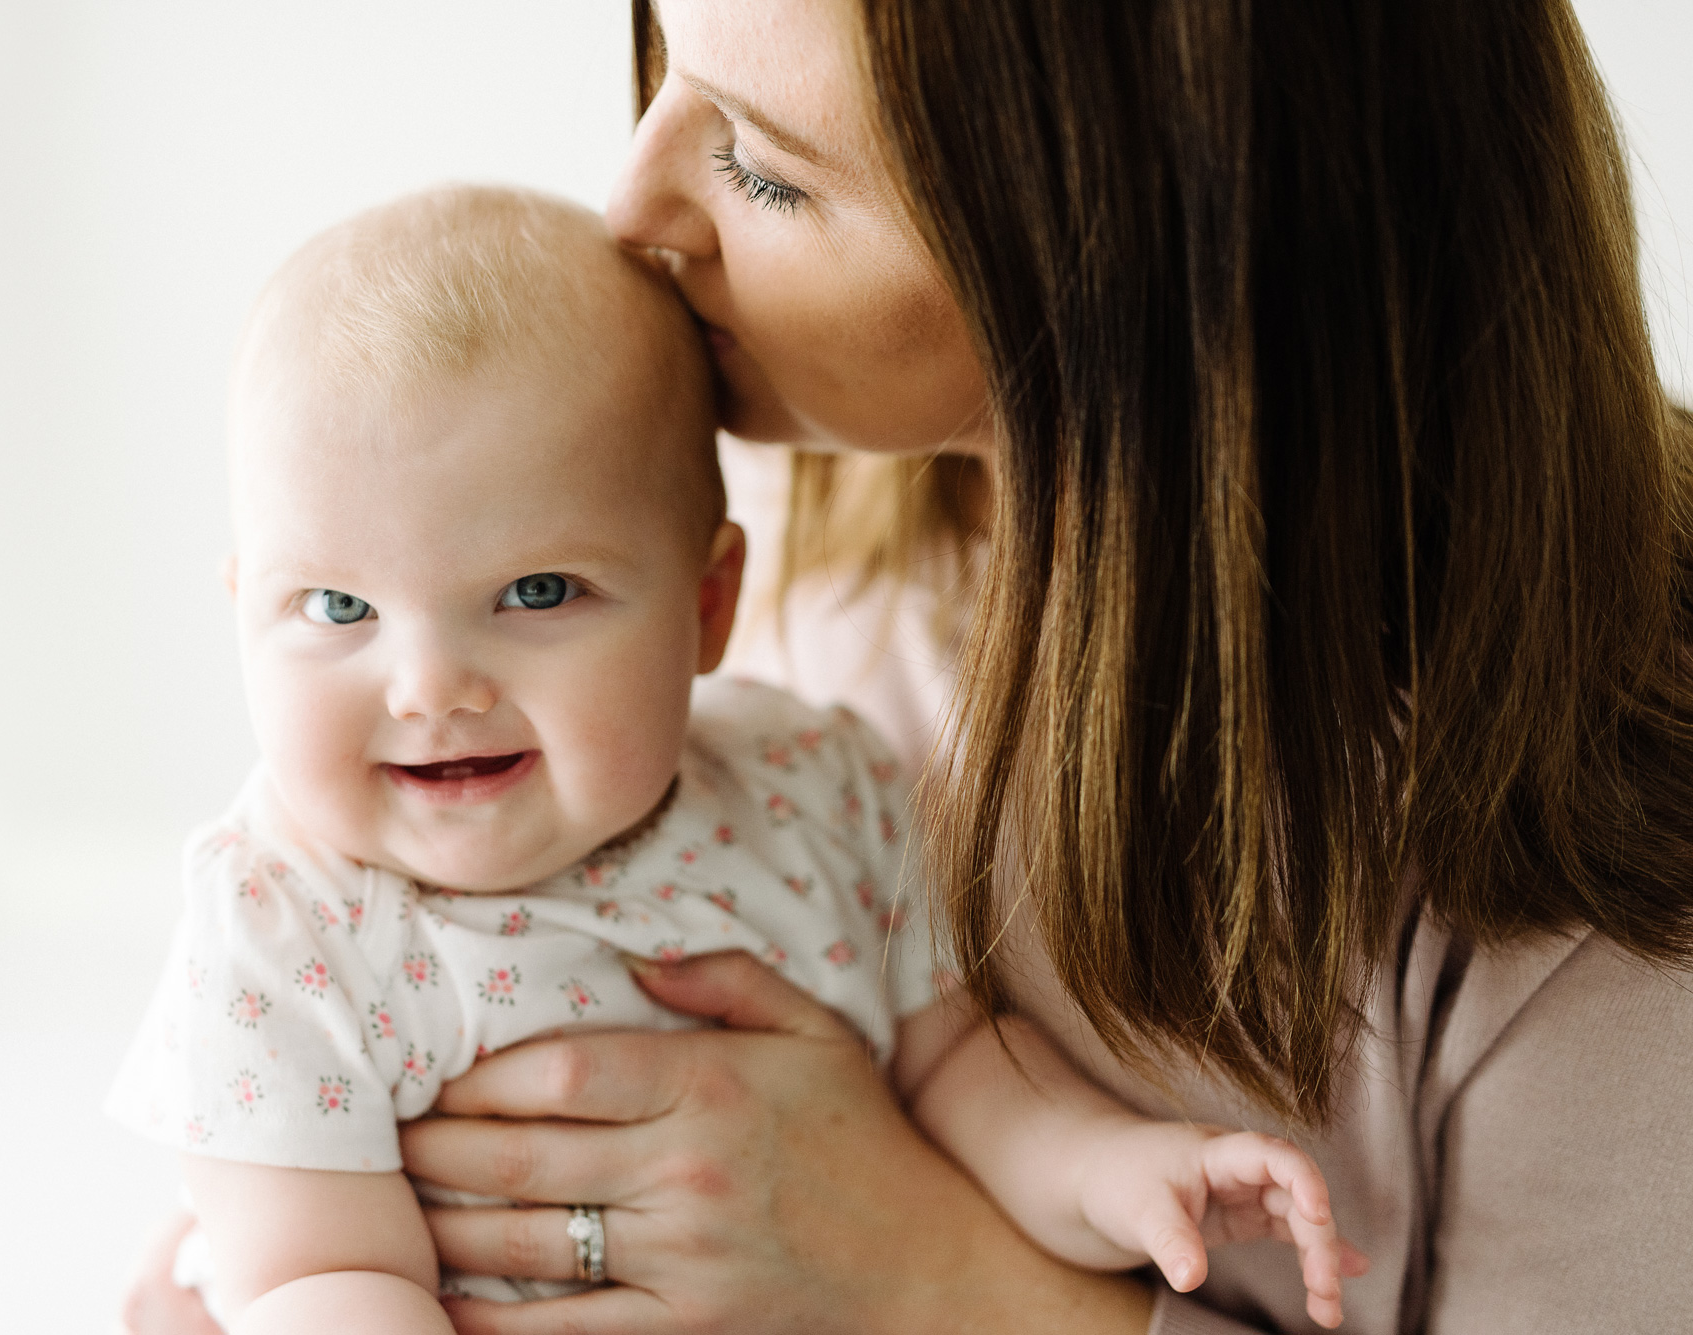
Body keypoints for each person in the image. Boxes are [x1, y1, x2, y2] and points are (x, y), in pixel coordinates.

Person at [125, 2, 1693, 1333]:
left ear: (1113, 250)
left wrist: (939, 1273)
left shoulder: (1596, 860)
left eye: (759, 164)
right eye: (663, 49)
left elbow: (939, 1055)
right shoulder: (841, 521)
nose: (632, 205)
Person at [109, 183, 1366, 1335]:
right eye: (335, 609)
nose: (429, 686)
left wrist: (1112, 1172)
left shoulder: (809, 788)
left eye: (536, 590)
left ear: (707, 607)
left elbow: (963, 1073)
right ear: (241, 613)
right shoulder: (281, 925)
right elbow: (315, 1281)